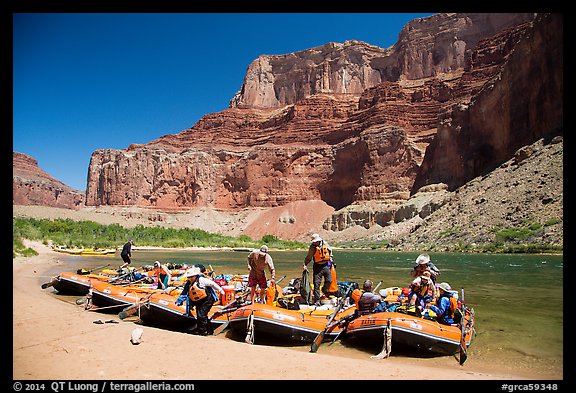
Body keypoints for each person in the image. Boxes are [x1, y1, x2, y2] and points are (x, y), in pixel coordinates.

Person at [175, 266, 225, 335]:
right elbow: (184, 293)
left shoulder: (202, 280)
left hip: (208, 299)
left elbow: (212, 284)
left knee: (201, 315)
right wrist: (179, 301)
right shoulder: (188, 283)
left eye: (191, 277)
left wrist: (221, 291)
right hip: (198, 301)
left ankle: (202, 332)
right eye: (189, 277)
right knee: (201, 315)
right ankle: (209, 330)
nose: (190, 279)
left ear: (195, 276)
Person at [303, 233, 334, 305]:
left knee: (329, 280)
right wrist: (305, 264)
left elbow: (330, 251)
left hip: (326, 265)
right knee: (316, 284)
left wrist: (331, 260)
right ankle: (317, 300)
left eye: (315, 241)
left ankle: (324, 290)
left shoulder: (325, 244)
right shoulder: (312, 247)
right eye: (313, 241)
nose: (314, 242)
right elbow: (309, 257)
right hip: (317, 266)